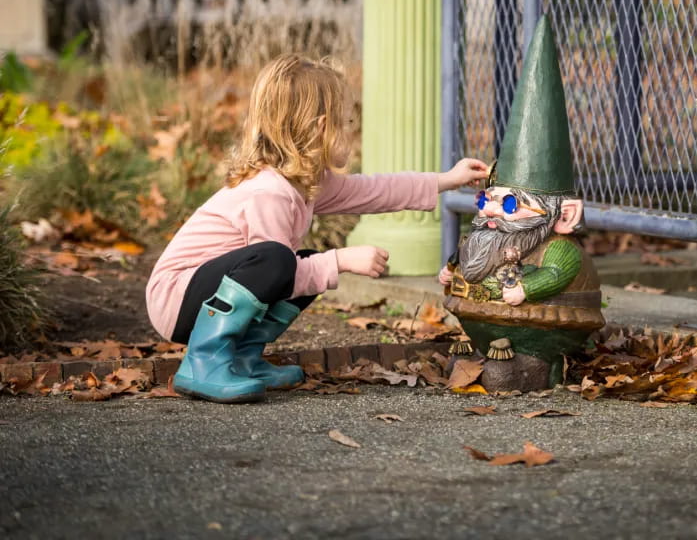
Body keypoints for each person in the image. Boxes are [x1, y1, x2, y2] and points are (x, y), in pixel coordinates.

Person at [146, 55, 488, 403]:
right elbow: (275, 272)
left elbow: (374, 190)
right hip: (177, 297)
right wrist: (339, 260)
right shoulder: (269, 193)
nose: (351, 132)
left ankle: (241, 358)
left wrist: (447, 179)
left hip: (202, 294)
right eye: (346, 123)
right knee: (284, 261)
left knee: (302, 261)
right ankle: (203, 363)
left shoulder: (300, 180)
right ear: (321, 127)